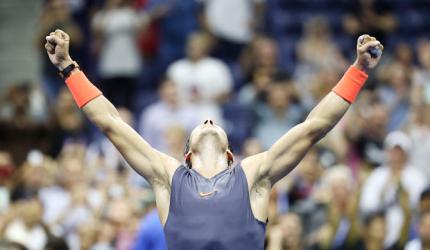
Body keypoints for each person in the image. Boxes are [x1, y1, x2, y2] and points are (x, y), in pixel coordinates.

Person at [44, 29, 383, 250]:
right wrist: (68, 67)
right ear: (187, 154)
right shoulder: (168, 176)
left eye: (213, 122)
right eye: (202, 123)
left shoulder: (252, 175)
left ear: (231, 153)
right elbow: (111, 123)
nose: (207, 119)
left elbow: (315, 126)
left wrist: (358, 70)